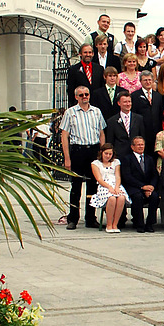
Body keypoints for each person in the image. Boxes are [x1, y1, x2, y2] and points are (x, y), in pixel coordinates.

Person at [60, 85, 106, 230]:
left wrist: (102, 153)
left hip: (93, 150)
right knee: (76, 185)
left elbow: (101, 133)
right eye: (81, 95)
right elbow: (64, 135)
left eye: (86, 94)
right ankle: (72, 218)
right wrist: (67, 158)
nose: (84, 97)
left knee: (92, 186)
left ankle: (91, 218)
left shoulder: (96, 112)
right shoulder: (70, 112)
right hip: (78, 150)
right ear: (76, 97)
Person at [120, 135, 160, 234]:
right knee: (137, 197)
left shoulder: (149, 159)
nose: (141, 147)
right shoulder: (127, 159)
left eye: (142, 145)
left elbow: (154, 175)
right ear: (132, 147)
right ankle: (139, 224)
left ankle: (150, 224)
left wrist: (151, 187)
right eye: (138, 145)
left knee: (154, 196)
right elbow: (127, 177)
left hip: (148, 187)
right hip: (134, 187)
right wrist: (142, 187)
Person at [89, 143, 130, 233]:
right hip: (104, 185)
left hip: (115, 184)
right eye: (106, 154)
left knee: (121, 198)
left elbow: (118, 176)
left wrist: (117, 187)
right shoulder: (95, 163)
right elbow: (99, 179)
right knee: (111, 198)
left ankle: (115, 224)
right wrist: (109, 187)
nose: (108, 156)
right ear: (101, 153)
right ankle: (109, 224)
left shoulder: (116, 162)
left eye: (110, 154)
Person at [105, 92, 145, 163]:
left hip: (135, 155)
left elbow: (142, 136)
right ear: (119, 103)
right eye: (125, 102)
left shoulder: (139, 118)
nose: (128, 104)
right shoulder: (112, 121)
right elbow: (110, 140)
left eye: (129, 101)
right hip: (120, 156)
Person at [131, 70, 164, 151]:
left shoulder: (158, 96)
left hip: (156, 132)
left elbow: (160, 114)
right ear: (140, 81)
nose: (148, 82)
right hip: (142, 132)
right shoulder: (134, 96)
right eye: (145, 80)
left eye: (149, 80)